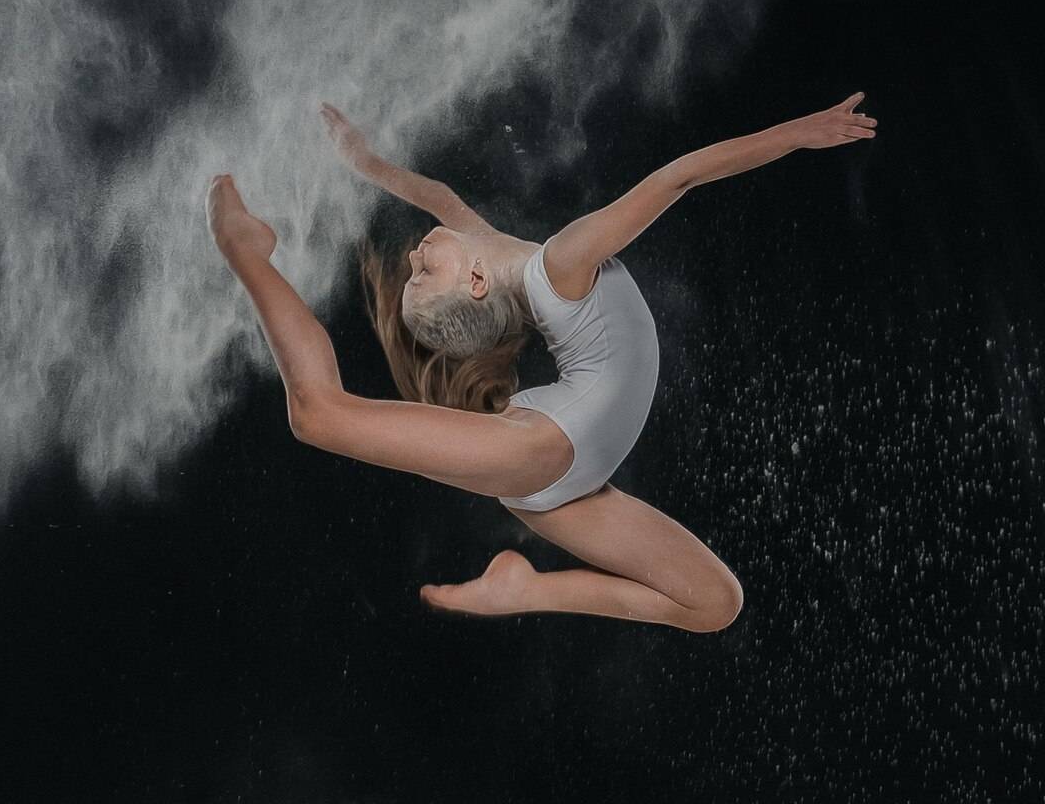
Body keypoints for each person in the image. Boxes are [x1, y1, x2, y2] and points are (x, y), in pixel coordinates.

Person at [206, 93, 876, 632]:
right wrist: (798, 133)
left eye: (414, 268)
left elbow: (439, 198)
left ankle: (523, 587)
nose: (413, 255)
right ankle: (242, 246)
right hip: (548, 454)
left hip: (568, 477)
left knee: (715, 604)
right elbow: (680, 176)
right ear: (474, 283)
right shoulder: (562, 264)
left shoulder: (497, 256)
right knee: (317, 414)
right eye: (423, 274)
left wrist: (365, 161)